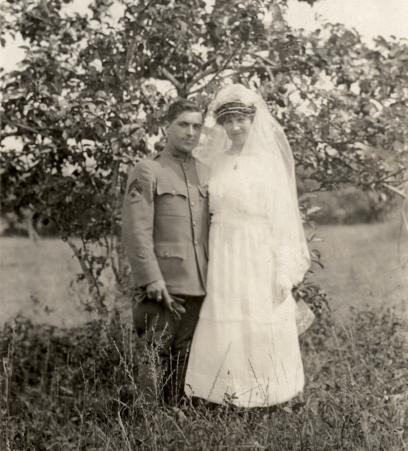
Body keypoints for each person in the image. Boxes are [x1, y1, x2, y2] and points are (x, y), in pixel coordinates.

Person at [184, 84, 311, 408]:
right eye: (228, 121)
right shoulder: (218, 162)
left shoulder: (268, 163)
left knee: (258, 314)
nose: (235, 127)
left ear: (253, 120)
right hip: (224, 252)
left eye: (241, 120)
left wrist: (284, 270)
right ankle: (227, 395)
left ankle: (269, 395)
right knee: (226, 315)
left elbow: (282, 219)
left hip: (257, 251)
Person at [122, 99, 209, 404]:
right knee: (154, 352)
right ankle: (147, 419)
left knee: (184, 352)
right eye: (183, 124)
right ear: (165, 127)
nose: (190, 132)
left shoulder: (205, 172)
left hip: (199, 282)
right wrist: (151, 278)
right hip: (164, 282)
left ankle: (173, 416)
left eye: (197, 126)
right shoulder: (148, 170)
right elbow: (136, 231)